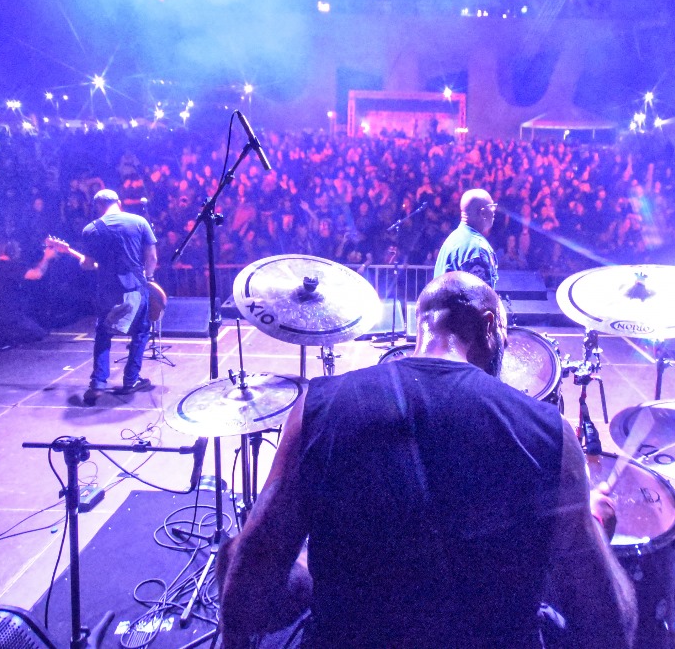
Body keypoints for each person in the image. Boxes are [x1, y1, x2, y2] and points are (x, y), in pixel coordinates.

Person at [218, 272, 636, 649]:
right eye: (505, 338)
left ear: (419, 326)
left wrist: (318, 575)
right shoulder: (550, 432)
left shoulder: (319, 407)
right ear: (489, 326)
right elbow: (610, 626)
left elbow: (245, 596)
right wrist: (592, 524)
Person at [70, 188, 158, 405]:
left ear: (98, 206)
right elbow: (152, 257)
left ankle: (98, 383)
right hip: (134, 288)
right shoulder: (139, 222)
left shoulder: (91, 229)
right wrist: (149, 278)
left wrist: (82, 262)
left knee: (103, 334)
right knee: (141, 332)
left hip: (107, 290)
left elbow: (88, 264)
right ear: (118, 202)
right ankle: (131, 380)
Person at [433, 188, 499, 288]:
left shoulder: (454, 238)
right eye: (492, 207)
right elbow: (481, 295)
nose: (494, 212)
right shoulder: (476, 248)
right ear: (482, 213)